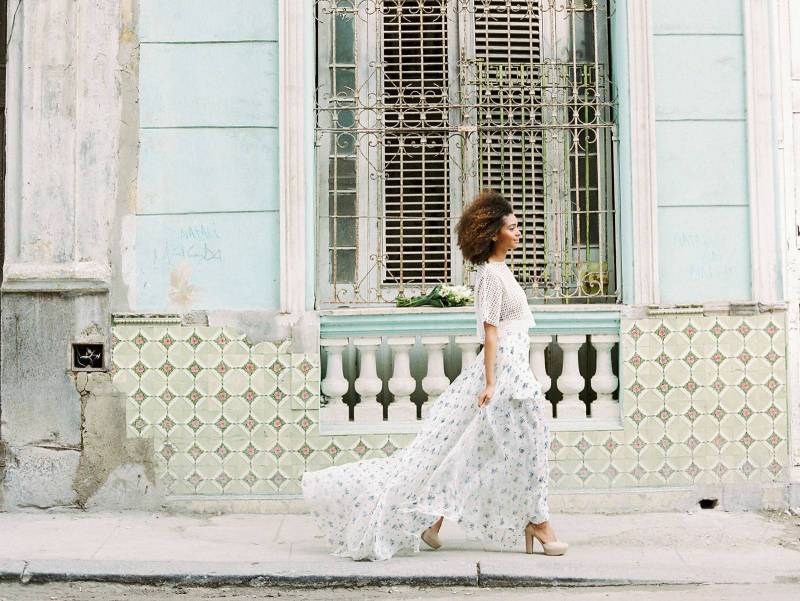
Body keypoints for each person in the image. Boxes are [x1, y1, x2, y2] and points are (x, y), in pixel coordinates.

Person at [301, 190, 567, 561]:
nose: (519, 232)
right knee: (510, 448)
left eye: (517, 226)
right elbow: (489, 333)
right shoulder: (491, 276)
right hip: (505, 375)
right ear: (494, 233)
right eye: (512, 227)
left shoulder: (504, 272)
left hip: (515, 370)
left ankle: (439, 522)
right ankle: (537, 522)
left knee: (476, 449)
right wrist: (491, 383)